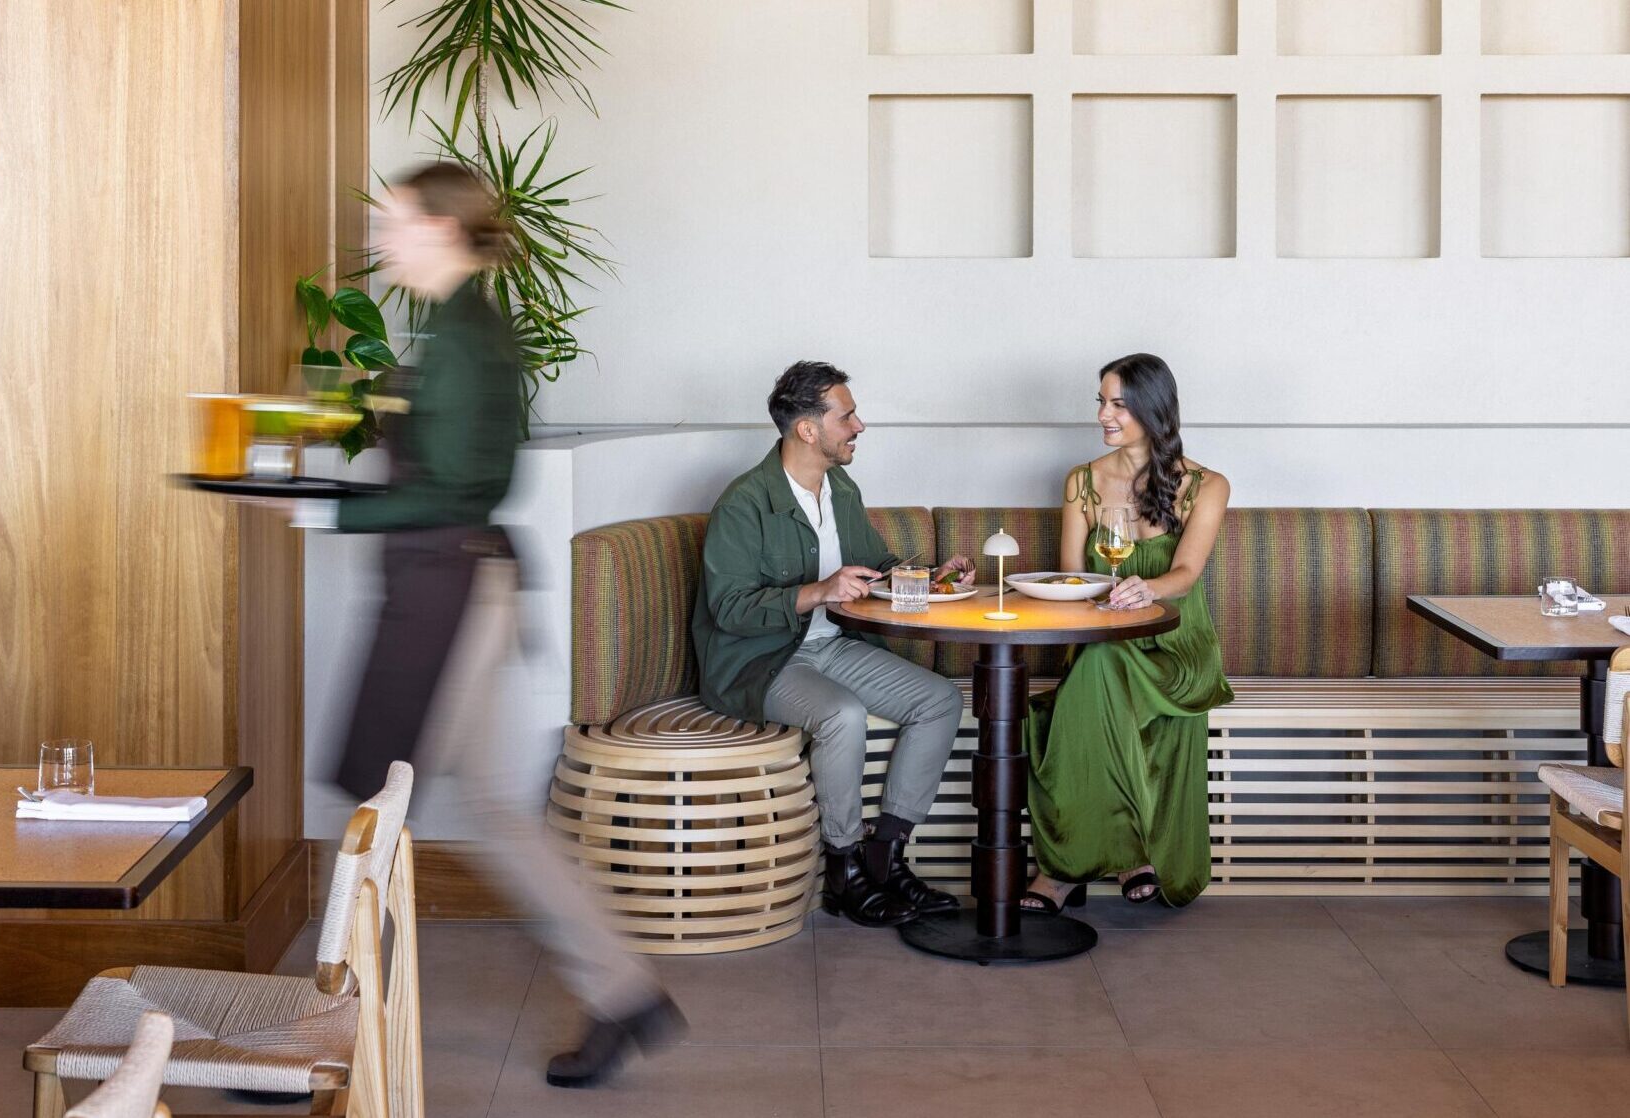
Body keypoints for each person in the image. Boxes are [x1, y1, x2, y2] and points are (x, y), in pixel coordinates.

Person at [289, 162, 681, 1089]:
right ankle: (625, 995)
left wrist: (326, 510)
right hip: (472, 585)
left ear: (442, 228)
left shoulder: (467, 334)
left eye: (395, 220)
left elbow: (459, 486)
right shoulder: (463, 328)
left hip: (449, 597)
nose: (381, 236)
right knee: (491, 813)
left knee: (377, 813)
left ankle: (316, 1037)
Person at [691, 360, 971, 928]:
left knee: (940, 700)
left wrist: (933, 576)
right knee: (842, 715)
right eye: (846, 415)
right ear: (808, 430)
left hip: (830, 646)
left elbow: (878, 567)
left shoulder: (839, 486)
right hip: (761, 661)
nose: (859, 426)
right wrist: (818, 590)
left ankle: (885, 857)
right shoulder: (745, 502)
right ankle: (843, 866)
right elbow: (730, 608)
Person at [1020, 353, 1234, 912]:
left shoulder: (1207, 485)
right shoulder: (1083, 483)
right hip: (1100, 640)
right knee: (1096, 667)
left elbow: (1186, 575)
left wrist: (1149, 588)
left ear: (1152, 408)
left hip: (1176, 644)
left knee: (1092, 681)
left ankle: (1063, 871)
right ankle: (1127, 852)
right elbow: (1072, 578)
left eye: (1117, 403)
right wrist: (1095, 603)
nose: (1103, 415)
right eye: (1101, 401)